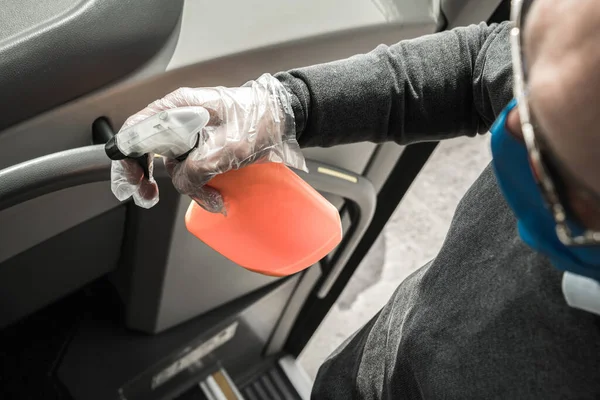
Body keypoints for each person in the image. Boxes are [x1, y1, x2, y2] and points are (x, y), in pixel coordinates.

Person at [112, 0, 600, 397]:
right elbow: (483, 62)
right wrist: (284, 106)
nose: (512, 121)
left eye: (548, 154)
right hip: (379, 362)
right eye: (527, 90)